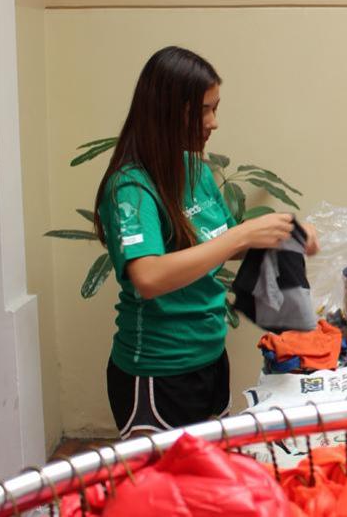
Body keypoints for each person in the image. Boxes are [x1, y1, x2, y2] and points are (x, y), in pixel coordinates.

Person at [94, 46, 317, 438]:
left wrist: (280, 232)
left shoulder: (194, 169)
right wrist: (241, 235)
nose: (213, 123)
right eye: (202, 110)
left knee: (208, 485)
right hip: (158, 373)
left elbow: (222, 240)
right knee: (165, 493)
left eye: (216, 108)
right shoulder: (130, 188)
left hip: (210, 359)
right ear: (166, 111)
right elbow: (147, 276)